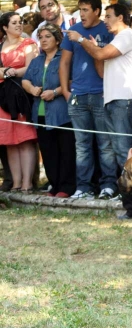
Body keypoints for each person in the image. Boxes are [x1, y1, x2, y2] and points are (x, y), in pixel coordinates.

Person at [66, 3, 132, 196]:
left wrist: (82, 40)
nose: (105, 21)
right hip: (111, 99)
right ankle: (127, 195)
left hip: (124, 99)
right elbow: (101, 70)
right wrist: (93, 48)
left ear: (121, 18)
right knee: (117, 149)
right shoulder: (116, 40)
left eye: (109, 16)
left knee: (124, 148)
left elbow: (100, 53)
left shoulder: (128, 35)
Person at [60, 0, 117, 200]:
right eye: (79, 9)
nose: (81, 14)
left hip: (102, 93)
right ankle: (83, 187)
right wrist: (66, 91)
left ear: (96, 11)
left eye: (85, 10)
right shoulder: (73, 31)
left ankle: (109, 185)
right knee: (82, 145)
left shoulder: (107, 29)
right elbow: (64, 62)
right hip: (78, 96)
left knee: (105, 143)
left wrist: (84, 41)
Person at [22, 23, 75, 198]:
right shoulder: (37, 60)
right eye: (41, 37)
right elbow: (26, 80)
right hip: (41, 113)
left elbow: (71, 80)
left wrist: (55, 92)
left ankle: (66, 187)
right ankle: (54, 185)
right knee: (48, 151)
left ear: (58, 40)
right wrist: (32, 89)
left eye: (47, 37)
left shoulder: (64, 58)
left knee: (65, 150)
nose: (43, 40)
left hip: (61, 112)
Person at [0, 12, 38, 193]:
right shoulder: (1, 46)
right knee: (10, 141)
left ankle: (27, 183)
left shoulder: (28, 44)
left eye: (20, 22)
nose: (19, 25)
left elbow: (30, 68)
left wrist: (10, 72)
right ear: (5, 27)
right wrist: (5, 72)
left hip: (22, 96)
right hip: (4, 98)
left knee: (25, 139)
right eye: (14, 23)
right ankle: (15, 183)